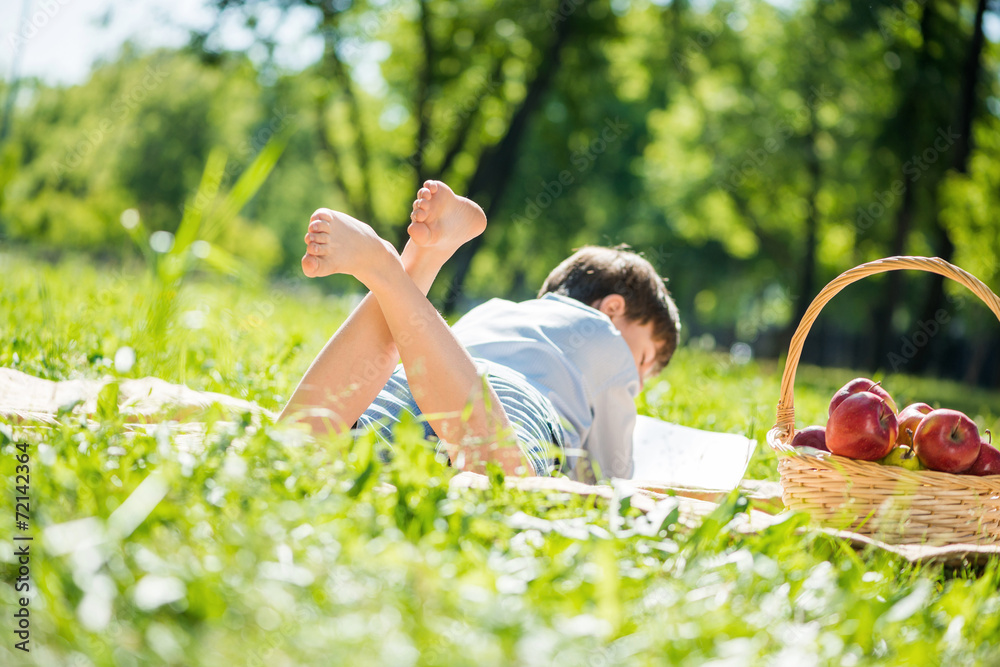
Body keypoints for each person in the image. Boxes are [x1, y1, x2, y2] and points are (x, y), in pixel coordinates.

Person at [278, 181, 680, 482]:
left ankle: (410, 268)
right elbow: (610, 475)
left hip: (428, 374)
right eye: (644, 361)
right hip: (508, 402)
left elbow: (424, 348)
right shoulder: (603, 335)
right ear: (612, 310)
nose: (638, 382)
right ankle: (389, 271)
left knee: (304, 440)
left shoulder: (497, 310)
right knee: (502, 480)